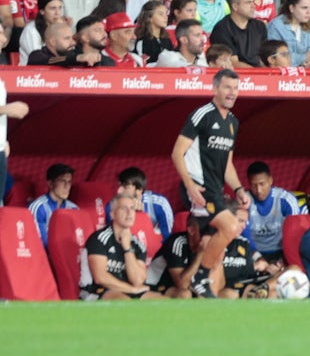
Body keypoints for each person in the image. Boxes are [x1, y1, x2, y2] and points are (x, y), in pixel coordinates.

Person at [169, 70, 249, 298]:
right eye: (227, 87)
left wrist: (239, 188)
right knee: (231, 226)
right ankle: (201, 277)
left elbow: (227, 165)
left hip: (216, 190)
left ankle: (202, 278)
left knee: (226, 230)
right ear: (215, 89)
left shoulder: (233, 122)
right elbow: (177, 153)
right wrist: (190, 186)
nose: (232, 93)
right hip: (198, 188)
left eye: (236, 88)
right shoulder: (201, 115)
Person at [82, 193, 162, 301]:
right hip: (99, 291)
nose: (129, 212)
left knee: (164, 302)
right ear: (112, 214)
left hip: (128, 290)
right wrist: (131, 289)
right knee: (126, 303)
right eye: (124, 208)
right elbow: (100, 278)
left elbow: (138, 281)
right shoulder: (99, 238)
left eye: (132, 208)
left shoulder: (138, 245)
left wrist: (127, 247)